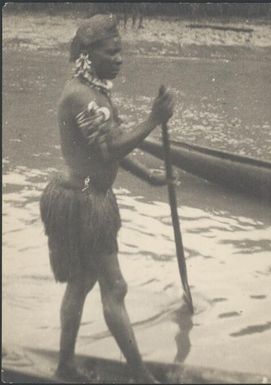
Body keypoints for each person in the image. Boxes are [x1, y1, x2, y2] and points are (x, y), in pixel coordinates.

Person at [40, 14, 174, 383]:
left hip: (84, 197)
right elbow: (112, 145)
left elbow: (105, 148)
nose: (120, 59)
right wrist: (153, 119)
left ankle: (66, 366)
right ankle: (140, 375)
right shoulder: (81, 96)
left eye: (121, 53)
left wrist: (147, 175)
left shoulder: (95, 91)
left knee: (82, 282)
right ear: (88, 54)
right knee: (114, 286)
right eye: (112, 52)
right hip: (80, 202)